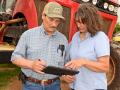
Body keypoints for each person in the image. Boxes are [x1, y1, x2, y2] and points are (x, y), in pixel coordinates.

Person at [11, 2, 68, 90]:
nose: (54, 24)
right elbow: (14, 58)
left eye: (57, 21)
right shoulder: (28, 35)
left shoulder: (63, 39)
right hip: (31, 85)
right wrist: (31, 64)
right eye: (51, 19)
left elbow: (65, 63)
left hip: (54, 85)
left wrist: (66, 74)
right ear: (43, 16)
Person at [65, 3, 110, 90]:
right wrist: (67, 74)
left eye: (83, 22)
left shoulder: (100, 37)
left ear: (92, 21)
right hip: (75, 86)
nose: (79, 25)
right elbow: (71, 61)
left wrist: (84, 62)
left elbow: (105, 67)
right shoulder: (75, 36)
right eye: (78, 22)